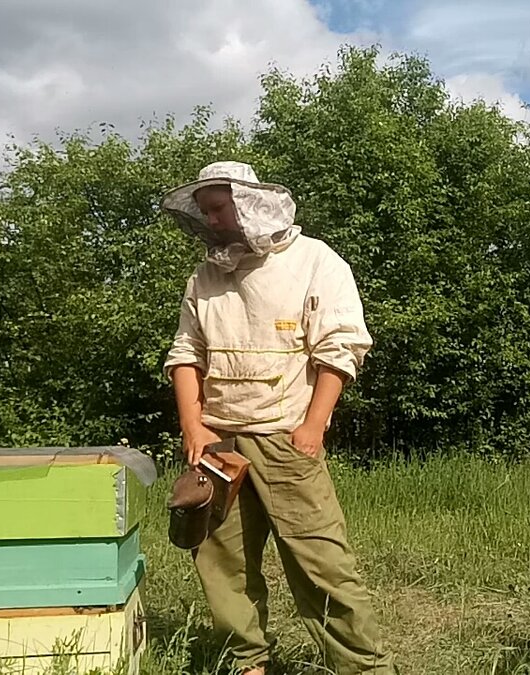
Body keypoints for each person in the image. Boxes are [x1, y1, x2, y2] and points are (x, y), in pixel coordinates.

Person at [160, 161, 396, 675]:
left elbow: (340, 348)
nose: (213, 221)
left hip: (286, 438)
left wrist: (313, 428)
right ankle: (248, 661)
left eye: (218, 209)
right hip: (218, 444)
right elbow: (186, 354)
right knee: (223, 563)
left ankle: (363, 668)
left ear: (249, 202)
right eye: (205, 213)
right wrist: (194, 428)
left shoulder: (315, 260)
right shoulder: (206, 274)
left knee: (322, 564)